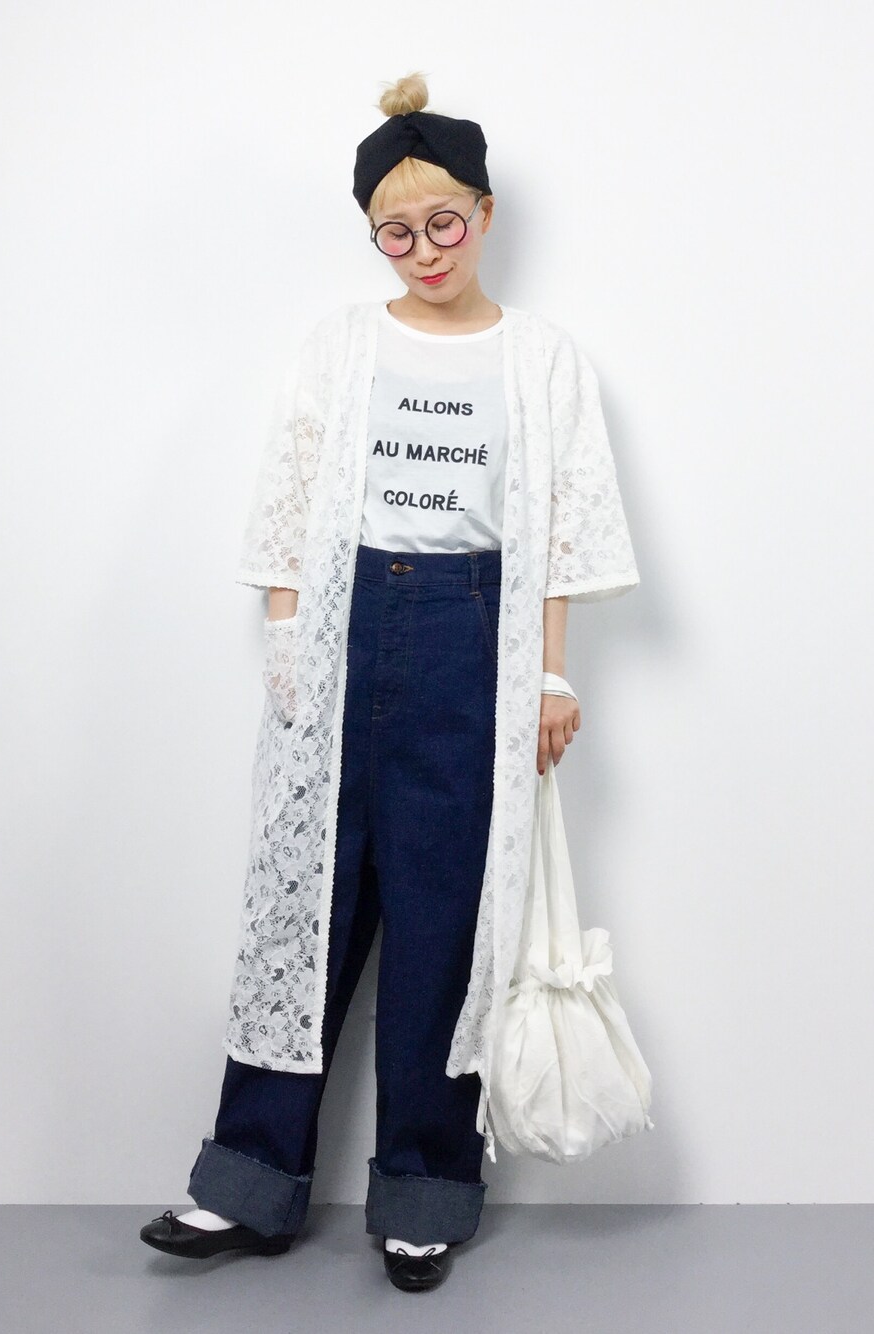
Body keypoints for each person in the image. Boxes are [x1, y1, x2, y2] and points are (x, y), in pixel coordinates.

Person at [140, 70, 640, 1293]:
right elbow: (290, 489)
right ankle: (247, 1183)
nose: (425, 250)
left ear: (484, 212)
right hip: (344, 626)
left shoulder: (542, 358)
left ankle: (422, 1193)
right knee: (300, 915)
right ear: (373, 234)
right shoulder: (341, 344)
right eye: (395, 232)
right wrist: (287, 636)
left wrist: (551, 678)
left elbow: (557, 531)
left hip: (474, 636)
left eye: (444, 222)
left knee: (441, 922)